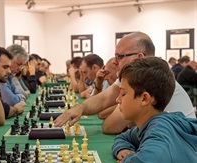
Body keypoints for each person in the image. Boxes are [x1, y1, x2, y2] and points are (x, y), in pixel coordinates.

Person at [54, 32, 196, 133]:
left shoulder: (147, 80)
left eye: (120, 56)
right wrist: (81, 107)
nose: (114, 61)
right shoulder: (135, 76)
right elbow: (104, 99)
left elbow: (110, 126)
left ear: (139, 57)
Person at [112, 56, 197, 163]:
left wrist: (127, 160)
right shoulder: (151, 124)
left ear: (144, 99)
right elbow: (123, 137)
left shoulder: (159, 130)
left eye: (123, 93)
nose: (118, 99)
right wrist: (123, 148)